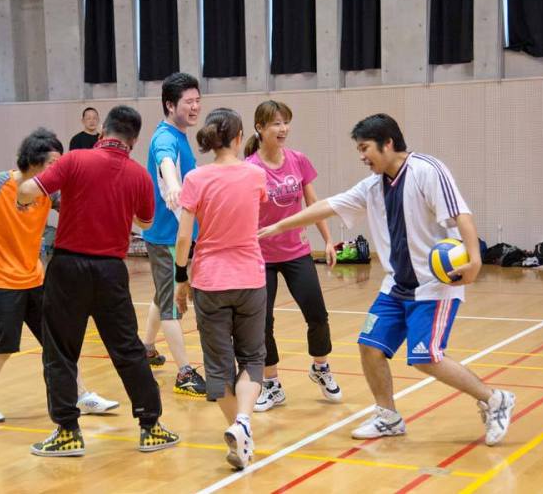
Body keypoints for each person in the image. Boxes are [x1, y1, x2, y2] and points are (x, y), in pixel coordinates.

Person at [258, 113, 515, 446]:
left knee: (426, 358)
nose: (362, 156)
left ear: (388, 143)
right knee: (370, 347)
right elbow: (327, 206)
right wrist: (279, 226)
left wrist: (475, 259)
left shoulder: (427, 171)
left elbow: (461, 213)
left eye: (365, 148)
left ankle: (495, 399)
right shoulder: (373, 186)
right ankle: (388, 416)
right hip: (396, 286)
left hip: (434, 286)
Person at [17, 106, 179, 456]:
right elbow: (147, 223)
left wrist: (21, 185)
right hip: (111, 272)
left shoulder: (75, 160)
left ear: (103, 130)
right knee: (128, 349)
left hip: (68, 269)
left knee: (60, 351)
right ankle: (151, 425)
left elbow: (30, 190)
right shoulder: (139, 175)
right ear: (133, 140)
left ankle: (67, 432)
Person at [0, 128, 118, 424]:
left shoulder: (47, 191)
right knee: (6, 344)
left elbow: (80, 210)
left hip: (35, 279)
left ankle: (80, 394)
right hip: (2, 281)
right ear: (33, 160)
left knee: (55, 342)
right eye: (53, 162)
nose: (57, 168)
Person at [174, 108, 267, 470]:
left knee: (218, 366)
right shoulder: (255, 175)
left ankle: (238, 429)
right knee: (253, 358)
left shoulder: (195, 178)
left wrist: (181, 276)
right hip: (250, 278)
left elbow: (184, 237)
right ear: (239, 136)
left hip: (210, 282)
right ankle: (244, 422)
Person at [244, 100, 342, 412]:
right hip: (262, 257)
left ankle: (320, 367)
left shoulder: (298, 160)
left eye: (285, 122)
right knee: (263, 322)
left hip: (297, 252)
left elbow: (314, 204)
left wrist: (327, 240)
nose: (283, 128)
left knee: (317, 314)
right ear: (260, 128)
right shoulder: (249, 168)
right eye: (275, 123)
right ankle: (271, 383)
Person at [140, 72, 206, 397]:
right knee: (171, 305)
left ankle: (146, 348)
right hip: (166, 236)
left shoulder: (180, 135)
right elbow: (165, 163)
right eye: (188, 102)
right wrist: (176, 187)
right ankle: (184, 373)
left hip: (176, 233)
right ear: (170, 104)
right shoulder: (164, 139)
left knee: (161, 293)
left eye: (197, 101)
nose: (195, 107)